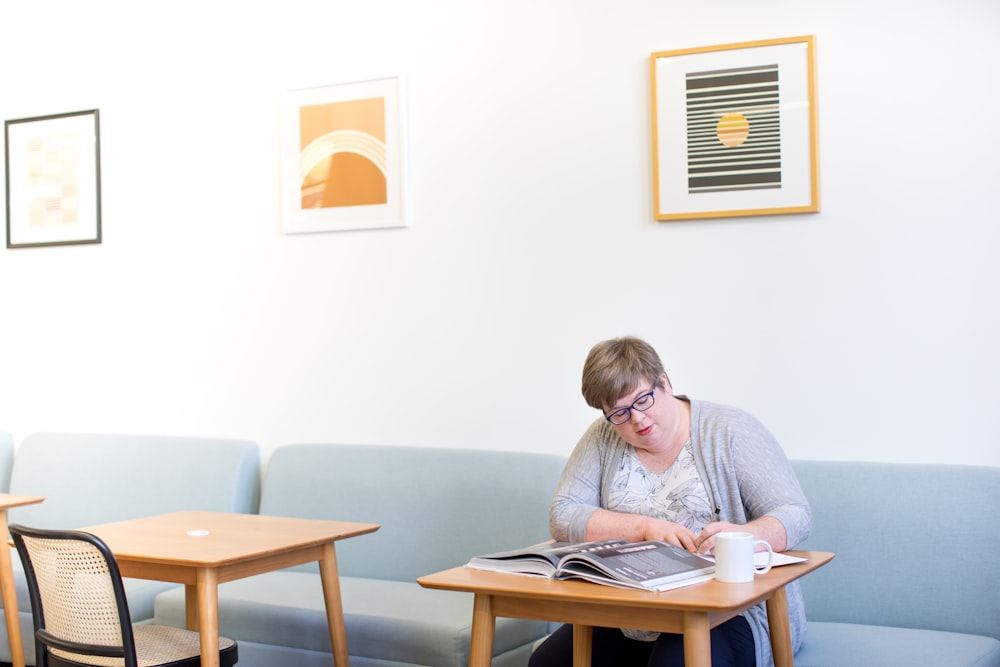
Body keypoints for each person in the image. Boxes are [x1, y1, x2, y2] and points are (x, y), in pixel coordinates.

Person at [529, 336, 811, 667]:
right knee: (547, 663)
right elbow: (562, 514)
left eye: (642, 401)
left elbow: (796, 514)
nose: (636, 420)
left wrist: (740, 538)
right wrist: (644, 527)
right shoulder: (602, 437)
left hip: (732, 611)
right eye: (618, 412)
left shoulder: (730, 431)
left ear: (664, 382)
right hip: (634, 610)